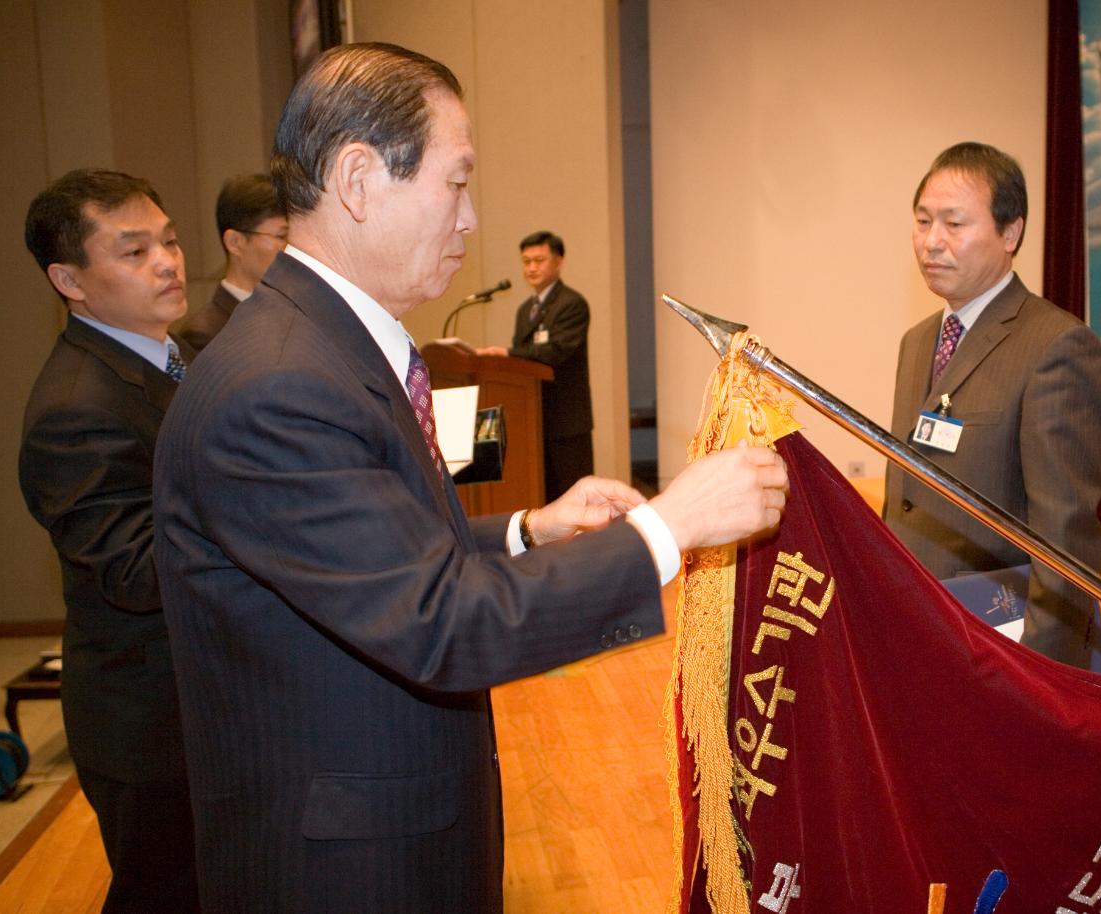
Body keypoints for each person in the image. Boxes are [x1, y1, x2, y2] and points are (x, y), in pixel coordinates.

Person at [151, 42, 787, 913]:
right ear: (359, 178)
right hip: (344, 869)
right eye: (455, 183)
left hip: (392, 823)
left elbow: (381, 552)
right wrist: (669, 529)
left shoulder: (323, 345)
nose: (470, 216)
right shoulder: (281, 385)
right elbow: (439, 623)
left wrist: (527, 530)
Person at [18, 169, 199, 912]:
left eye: (169, 239)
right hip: (150, 726)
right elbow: (138, 570)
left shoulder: (166, 357)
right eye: (133, 251)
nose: (167, 261)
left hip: (195, 705)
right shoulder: (75, 408)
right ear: (70, 279)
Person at [882, 142, 1101, 670]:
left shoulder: (1056, 346)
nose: (931, 242)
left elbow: (1066, 538)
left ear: (1011, 233)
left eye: (954, 224)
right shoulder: (917, 342)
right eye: (922, 221)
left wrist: (1040, 671)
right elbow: (905, 498)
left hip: (998, 642)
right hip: (914, 624)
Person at [476, 231, 593, 500]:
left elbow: (555, 351)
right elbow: (522, 367)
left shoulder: (571, 304)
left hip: (566, 422)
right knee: (542, 498)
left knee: (572, 499)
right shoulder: (524, 309)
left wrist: (506, 353)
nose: (531, 268)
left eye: (539, 260)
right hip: (531, 418)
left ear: (559, 261)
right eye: (526, 261)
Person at [181, 173, 287, 352]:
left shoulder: (294, 312)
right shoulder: (206, 334)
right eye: (282, 236)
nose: (290, 248)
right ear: (235, 242)